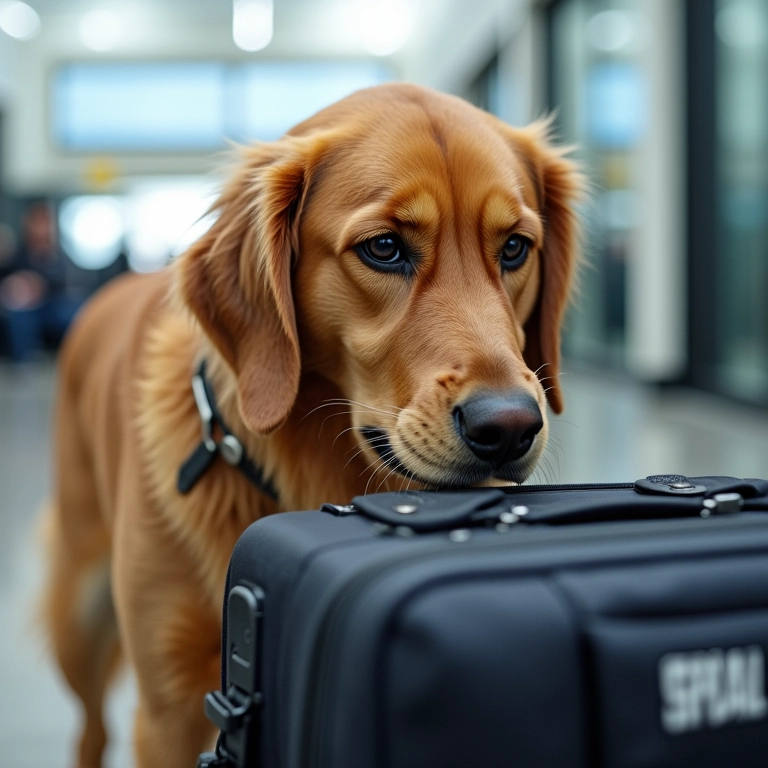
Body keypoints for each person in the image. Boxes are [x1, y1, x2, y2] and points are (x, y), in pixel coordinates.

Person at [0, 203, 81, 362]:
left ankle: (72, 359)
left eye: (45, 223)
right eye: (37, 222)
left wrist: (40, 286)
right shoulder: (18, 254)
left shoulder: (60, 255)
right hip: (25, 307)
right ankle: (25, 366)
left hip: (53, 303)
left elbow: (68, 282)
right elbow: (8, 281)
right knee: (20, 318)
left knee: (75, 311)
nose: (41, 228)